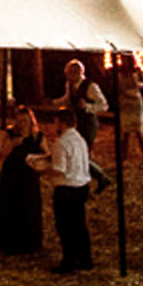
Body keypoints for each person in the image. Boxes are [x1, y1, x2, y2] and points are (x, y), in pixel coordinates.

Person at [30, 109, 92, 273]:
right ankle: (85, 258)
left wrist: (41, 171)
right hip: (82, 185)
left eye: (56, 122)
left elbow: (59, 169)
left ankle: (69, 260)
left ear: (62, 123)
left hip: (67, 187)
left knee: (66, 226)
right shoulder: (79, 139)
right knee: (79, 224)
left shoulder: (61, 143)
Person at [0, 107, 44, 255]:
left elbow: (47, 154)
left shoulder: (37, 137)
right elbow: (1, 154)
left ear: (30, 121)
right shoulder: (10, 135)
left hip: (29, 176)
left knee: (29, 206)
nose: (21, 124)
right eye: (19, 121)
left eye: (25, 121)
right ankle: (9, 241)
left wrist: (38, 162)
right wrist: (13, 145)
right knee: (10, 205)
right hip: (11, 176)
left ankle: (30, 242)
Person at [117, 59, 143, 166]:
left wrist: (139, 84)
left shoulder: (138, 71)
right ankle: (124, 158)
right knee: (125, 133)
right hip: (125, 103)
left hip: (136, 103)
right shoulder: (119, 73)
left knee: (140, 131)